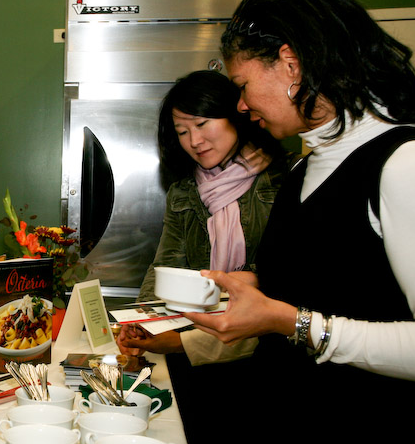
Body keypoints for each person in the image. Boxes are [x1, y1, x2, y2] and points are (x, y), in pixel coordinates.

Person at [184, 0, 415, 444]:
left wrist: (289, 321)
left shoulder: (408, 163)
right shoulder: (305, 167)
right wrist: (252, 286)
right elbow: (331, 279)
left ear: (291, 64)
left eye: (243, 86)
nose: (242, 105)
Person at [118, 69, 291, 365]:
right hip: (195, 345)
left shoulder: (283, 180)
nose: (195, 140)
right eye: (182, 132)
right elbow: (165, 266)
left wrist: (247, 279)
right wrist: (140, 321)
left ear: (235, 115)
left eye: (201, 124)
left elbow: (287, 277)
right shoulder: (183, 192)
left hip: (268, 349)